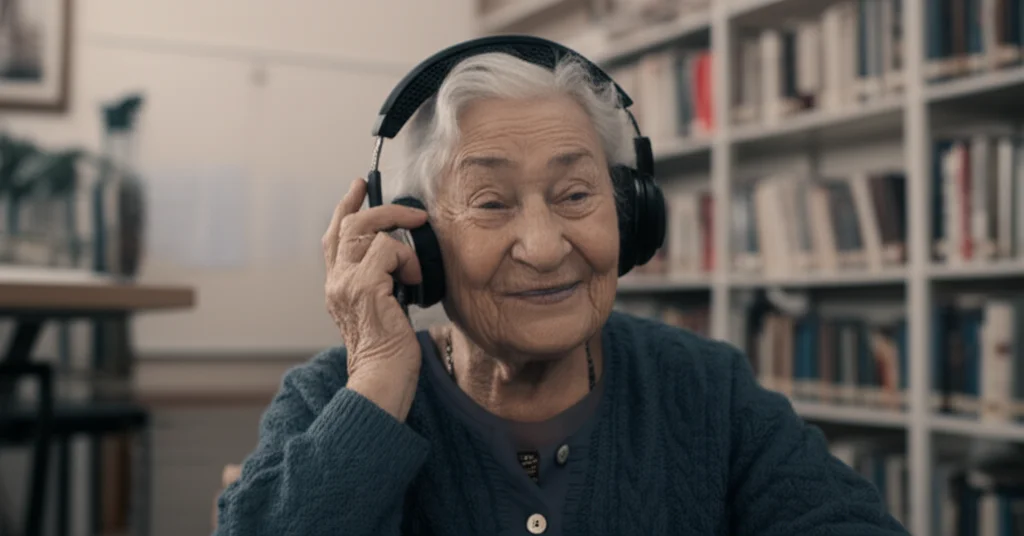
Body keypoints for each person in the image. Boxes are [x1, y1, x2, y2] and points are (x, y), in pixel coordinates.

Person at [214, 44, 910, 536]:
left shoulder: (705, 387)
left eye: (576, 193)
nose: (545, 247)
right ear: (414, 242)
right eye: (490, 203)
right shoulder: (332, 396)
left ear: (629, 215)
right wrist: (378, 387)